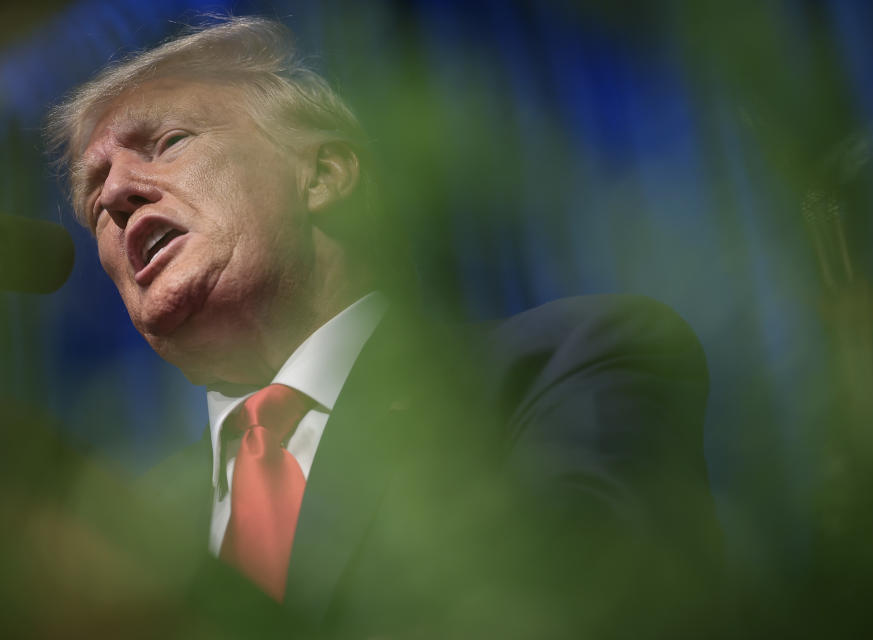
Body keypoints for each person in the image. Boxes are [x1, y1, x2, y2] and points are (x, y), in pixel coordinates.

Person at [46, 15, 724, 638]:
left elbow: (590, 605)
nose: (115, 195)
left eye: (166, 142)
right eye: (94, 197)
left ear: (325, 174)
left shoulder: (565, 363)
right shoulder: (126, 537)